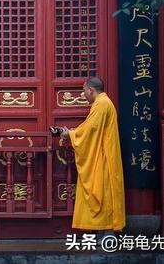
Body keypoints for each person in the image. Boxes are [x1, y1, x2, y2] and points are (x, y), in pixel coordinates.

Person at [58, 77, 126, 233]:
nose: (84, 95)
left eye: (84, 91)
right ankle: (103, 231)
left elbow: (90, 130)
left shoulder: (102, 104)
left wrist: (70, 134)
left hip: (103, 157)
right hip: (103, 153)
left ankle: (107, 232)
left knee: (103, 192)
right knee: (102, 191)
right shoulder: (103, 102)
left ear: (90, 90)